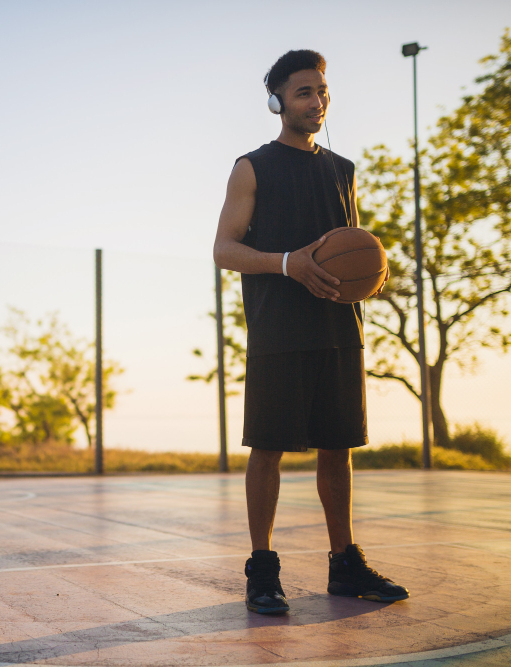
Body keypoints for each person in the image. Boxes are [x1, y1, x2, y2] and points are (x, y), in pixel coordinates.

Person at [212, 49, 409, 615]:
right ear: (277, 100)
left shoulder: (342, 168)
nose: (317, 101)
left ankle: (344, 564)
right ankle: (263, 571)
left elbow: (350, 244)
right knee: (268, 448)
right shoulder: (252, 166)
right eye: (304, 92)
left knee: (337, 447)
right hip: (279, 328)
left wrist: (373, 269)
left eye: (322, 90)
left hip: (339, 325)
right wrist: (285, 263)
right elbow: (224, 249)